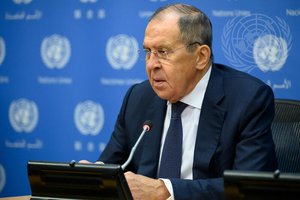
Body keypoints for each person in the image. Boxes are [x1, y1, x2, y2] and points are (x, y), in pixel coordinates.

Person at [82, 3, 277, 200]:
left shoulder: (247, 99)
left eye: (163, 52)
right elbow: (112, 167)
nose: (151, 64)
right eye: (148, 52)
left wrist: (166, 190)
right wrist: (96, 175)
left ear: (201, 57)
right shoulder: (138, 97)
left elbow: (250, 188)